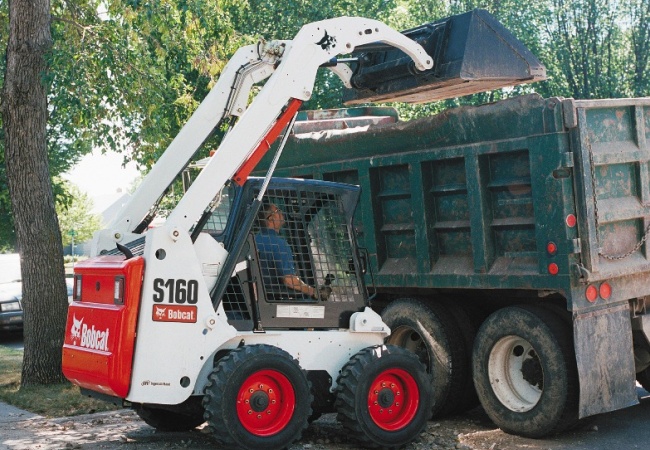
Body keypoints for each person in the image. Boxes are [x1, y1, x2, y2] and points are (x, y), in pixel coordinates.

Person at [255, 203, 330, 301]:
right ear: (270, 218)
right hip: (275, 301)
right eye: (278, 211)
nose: (282, 212)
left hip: (261, 298)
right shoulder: (279, 244)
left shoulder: (255, 240)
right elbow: (288, 280)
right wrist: (315, 292)